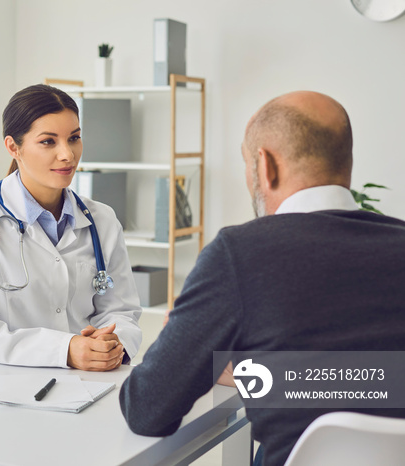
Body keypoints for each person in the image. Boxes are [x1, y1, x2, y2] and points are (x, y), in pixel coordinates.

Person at [119, 91, 405, 465]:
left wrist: (218, 362)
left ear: (265, 166)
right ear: (346, 163)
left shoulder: (239, 254)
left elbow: (147, 408)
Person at [0, 84, 142, 371]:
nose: (67, 155)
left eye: (74, 138)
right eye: (49, 141)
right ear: (14, 147)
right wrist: (65, 350)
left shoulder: (102, 220)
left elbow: (121, 310)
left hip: (92, 380)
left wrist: (111, 343)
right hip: (8, 383)